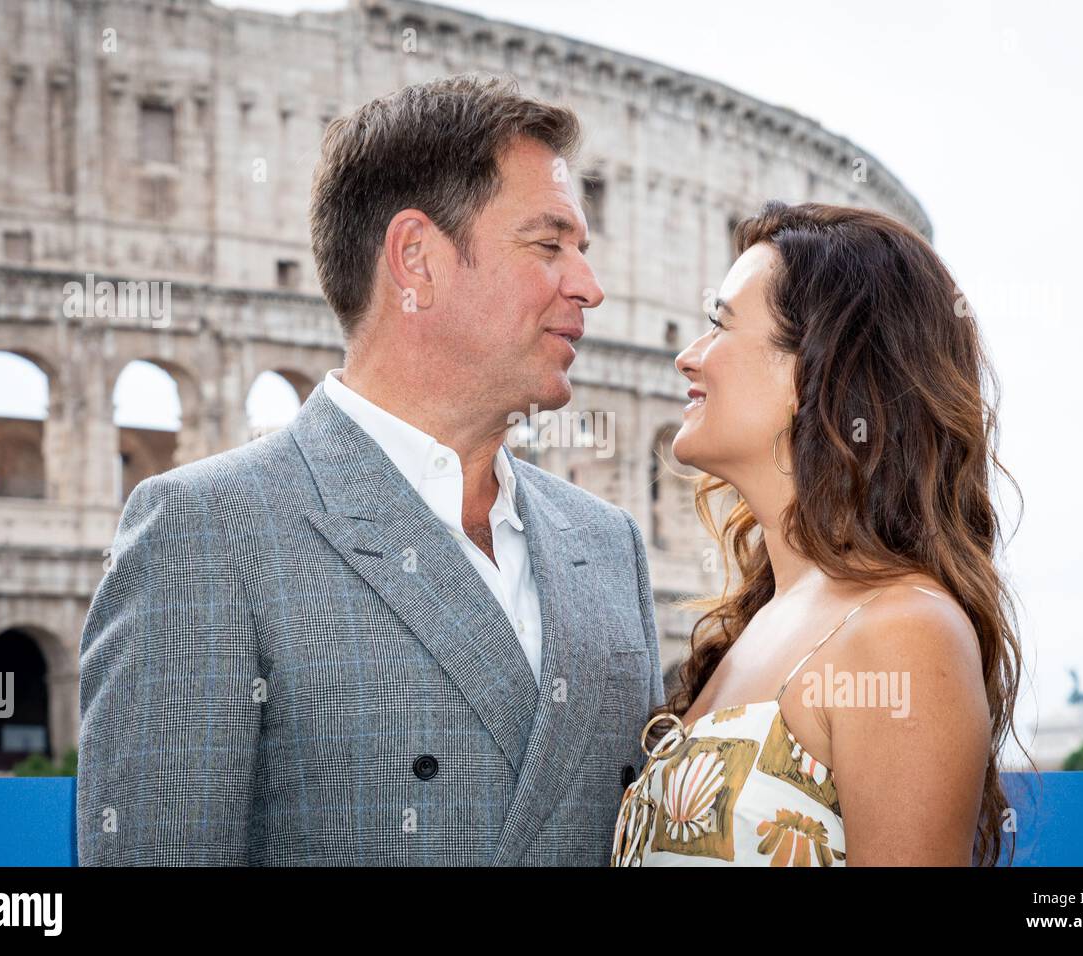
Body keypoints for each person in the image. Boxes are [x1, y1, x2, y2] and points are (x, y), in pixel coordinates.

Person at [78, 74, 664, 866]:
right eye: (548, 244)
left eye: (582, 251)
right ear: (416, 259)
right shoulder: (206, 533)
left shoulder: (610, 545)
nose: (588, 287)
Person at [612, 200, 1026, 867]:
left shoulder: (901, 632)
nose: (689, 358)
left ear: (816, 371)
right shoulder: (766, 619)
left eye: (719, 326)